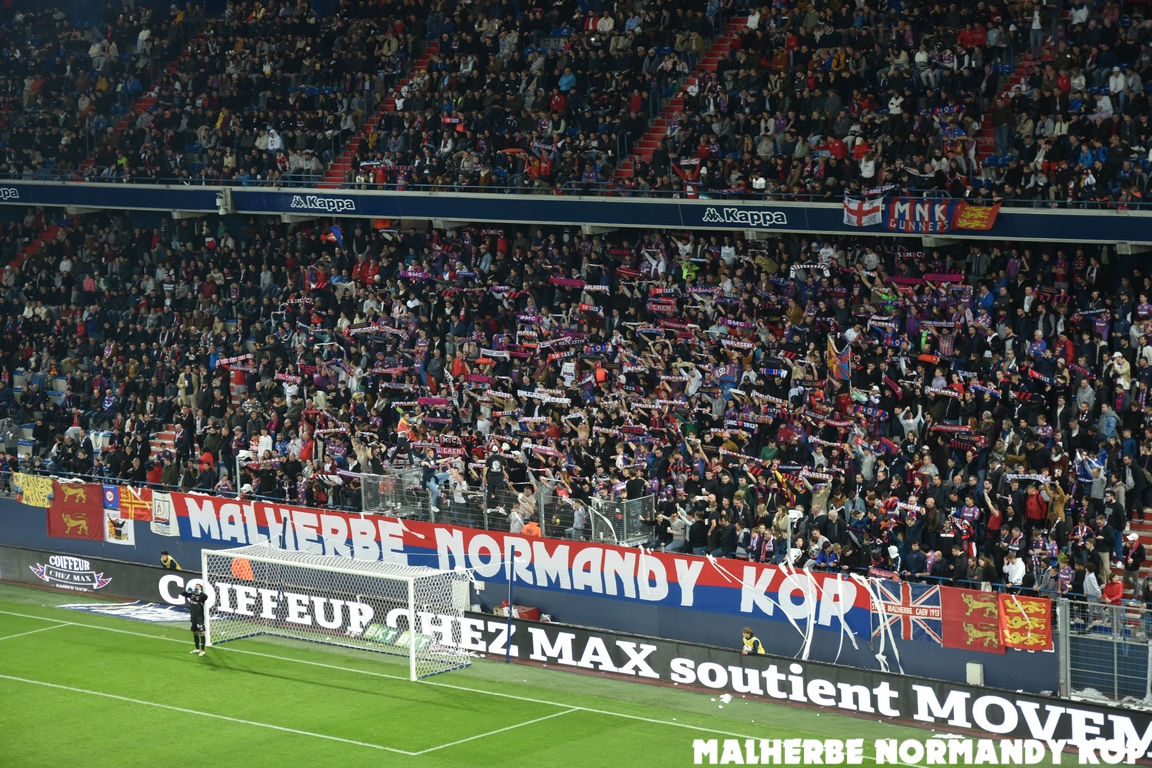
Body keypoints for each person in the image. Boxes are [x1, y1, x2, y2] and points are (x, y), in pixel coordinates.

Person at [181, 584, 209, 656]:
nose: (195, 587)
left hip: (199, 618)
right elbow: (182, 594)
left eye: (197, 587)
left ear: (200, 589)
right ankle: (197, 648)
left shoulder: (201, 596)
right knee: (195, 632)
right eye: (195, 586)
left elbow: (206, 597)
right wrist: (187, 591)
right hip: (193, 617)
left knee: (201, 633)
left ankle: (202, 650)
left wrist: (200, 592)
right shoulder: (192, 595)